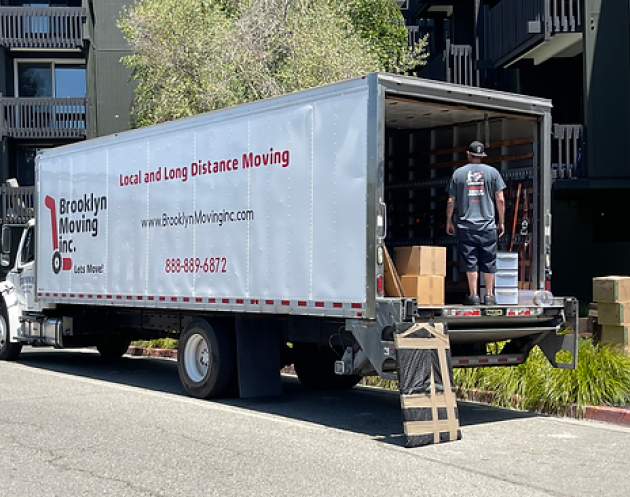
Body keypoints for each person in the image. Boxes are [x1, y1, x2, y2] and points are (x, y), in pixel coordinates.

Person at [446, 141, 506, 305]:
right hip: (487, 226)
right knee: (489, 260)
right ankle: (489, 295)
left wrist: (449, 221)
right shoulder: (493, 173)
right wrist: (501, 222)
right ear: (482, 156)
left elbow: (451, 200)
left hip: (466, 226)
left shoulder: (458, 174)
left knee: (470, 260)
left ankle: (473, 296)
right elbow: (500, 198)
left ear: (468, 154)